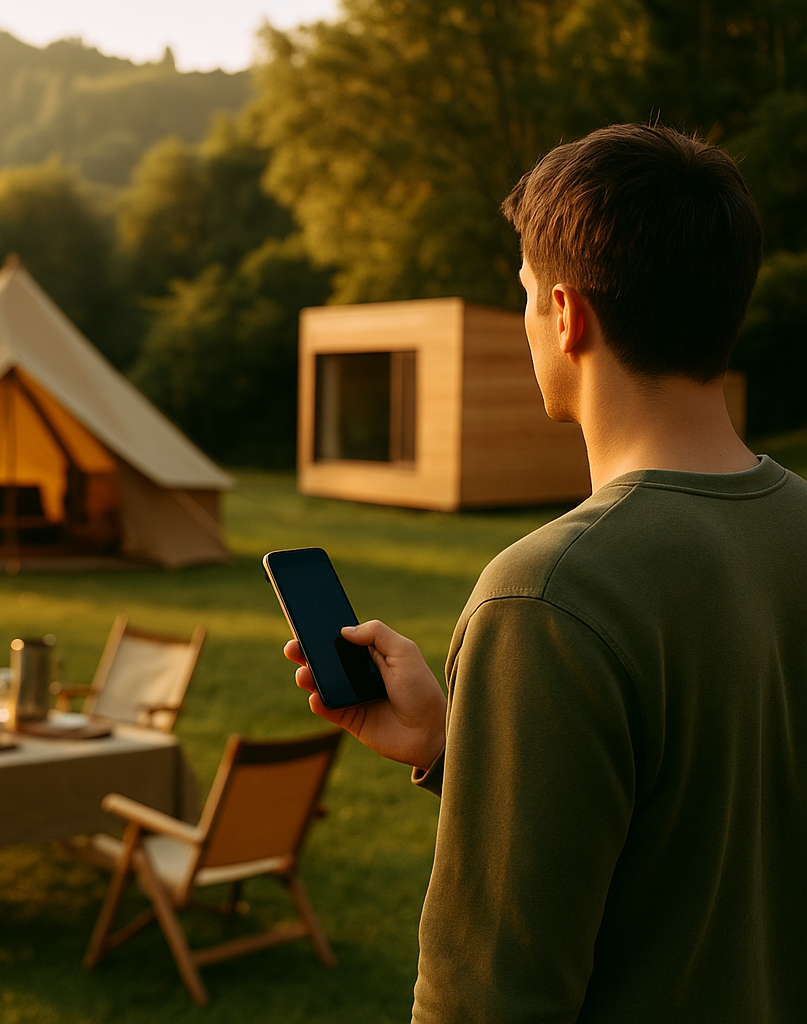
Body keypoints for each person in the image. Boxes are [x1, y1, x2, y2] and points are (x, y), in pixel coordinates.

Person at [284, 124, 807, 1023]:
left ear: (566, 316)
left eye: (525, 294)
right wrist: (459, 749)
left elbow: (487, 1000)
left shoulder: (551, 596)